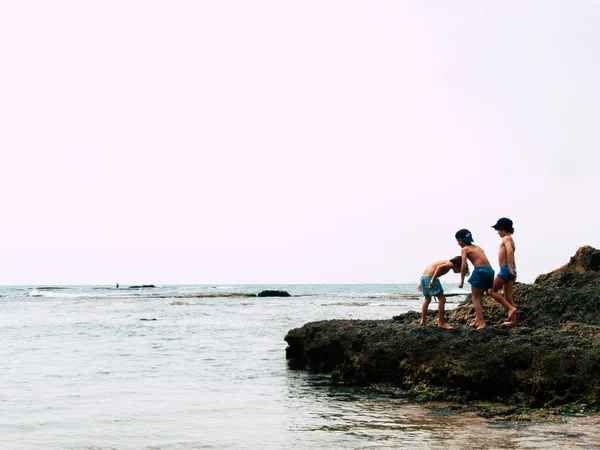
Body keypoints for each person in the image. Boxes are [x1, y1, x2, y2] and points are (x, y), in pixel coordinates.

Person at [455, 229, 496, 330]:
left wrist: (462, 280)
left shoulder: (465, 249)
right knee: (480, 296)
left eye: (457, 241)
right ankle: (478, 319)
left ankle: (481, 323)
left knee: (475, 298)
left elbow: (464, 265)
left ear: (460, 240)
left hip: (480, 270)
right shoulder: (478, 247)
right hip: (490, 270)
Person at [487, 218, 518, 326]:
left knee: (491, 291)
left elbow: (509, 250)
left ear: (503, 229)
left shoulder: (506, 238)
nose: (498, 233)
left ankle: (510, 308)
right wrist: (514, 269)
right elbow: (512, 255)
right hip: (510, 270)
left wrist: (509, 267)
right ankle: (513, 321)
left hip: (506, 269)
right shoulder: (511, 238)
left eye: (498, 230)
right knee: (508, 296)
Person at [418, 257, 463, 328]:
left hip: (424, 277)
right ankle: (441, 323)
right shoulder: (450, 264)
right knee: (442, 299)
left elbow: (429, 270)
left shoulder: (444, 261)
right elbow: (439, 268)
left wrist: (422, 283)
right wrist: (432, 280)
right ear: (458, 264)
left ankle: (423, 321)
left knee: (427, 299)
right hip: (430, 277)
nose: (460, 272)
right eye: (460, 269)